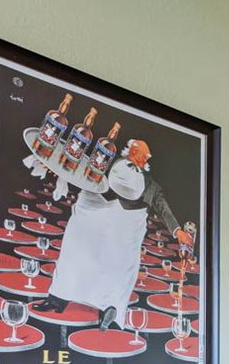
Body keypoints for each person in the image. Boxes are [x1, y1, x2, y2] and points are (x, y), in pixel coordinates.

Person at [39, 138, 184, 330]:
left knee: (118, 265)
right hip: (91, 211)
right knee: (74, 252)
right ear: (130, 150)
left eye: (144, 154)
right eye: (138, 151)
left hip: (124, 224)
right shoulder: (106, 159)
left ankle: (110, 311)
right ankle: (57, 299)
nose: (141, 156)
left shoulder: (149, 184)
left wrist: (177, 230)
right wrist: (59, 173)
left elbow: (161, 206)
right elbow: (78, 165)